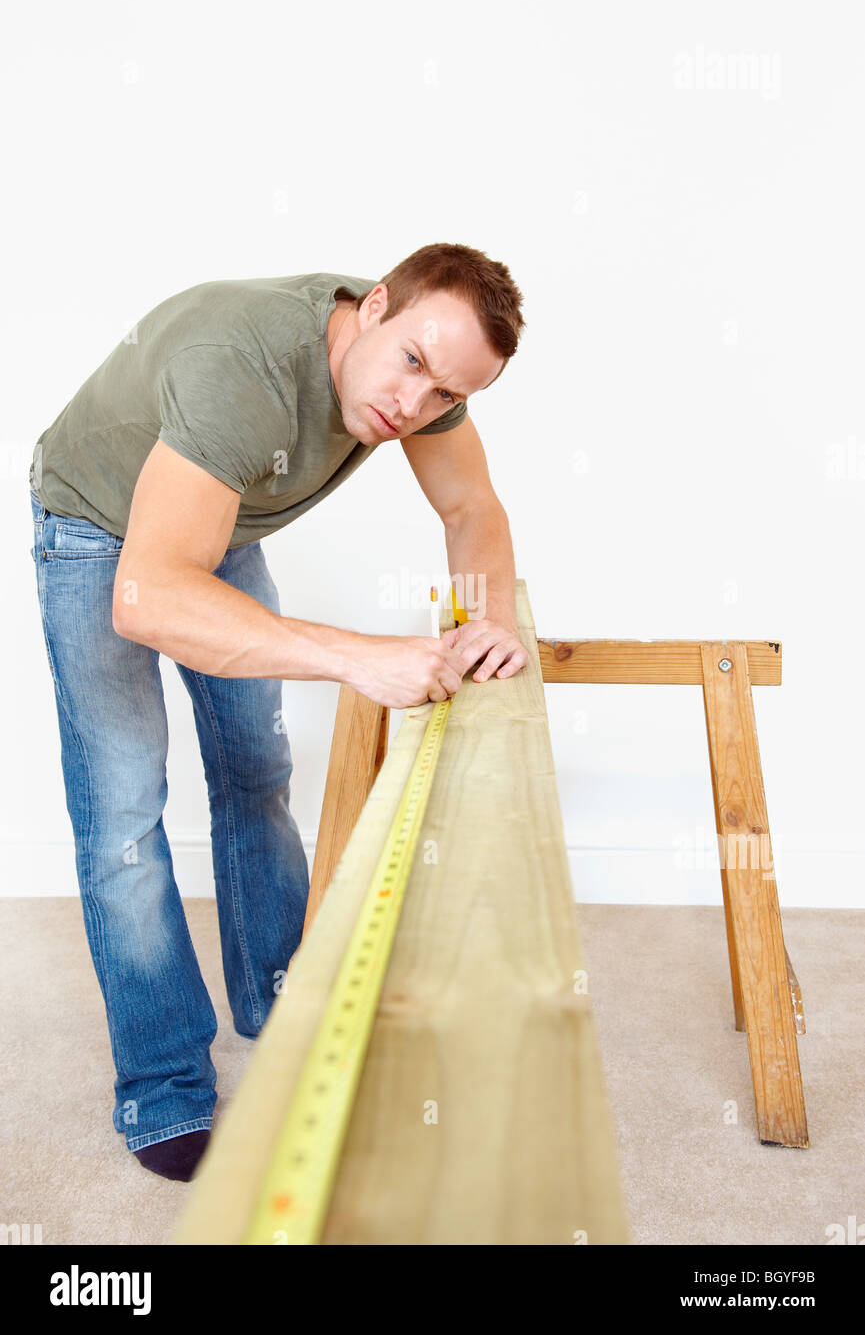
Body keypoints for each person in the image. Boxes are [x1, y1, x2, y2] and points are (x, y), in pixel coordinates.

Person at [27, 241, 529, 1181]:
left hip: (211, 525)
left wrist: (488, 622)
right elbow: (148, 599)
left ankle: (278, 999)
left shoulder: (427, 370)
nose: (410, 409)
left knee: (256, 765)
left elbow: (472, 508)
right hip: (100, 531)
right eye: (412, 365)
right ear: (374, 304)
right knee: (125, 815)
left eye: (442, 396)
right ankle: (163, 1085)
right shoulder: (241, 367)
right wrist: (357, 658)